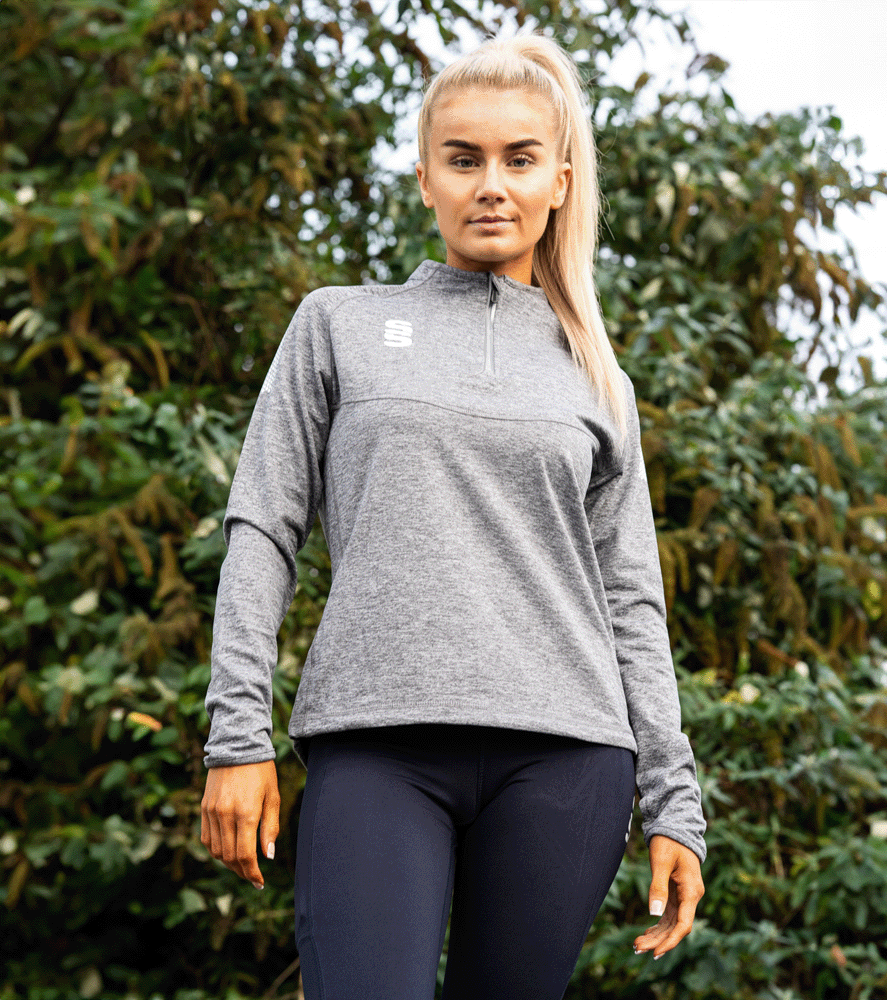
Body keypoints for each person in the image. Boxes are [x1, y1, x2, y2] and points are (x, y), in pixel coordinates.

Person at [200, 32, 706, 1000]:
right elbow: (262, 527)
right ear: (425, 177)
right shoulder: (337, 324)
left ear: (559, 181)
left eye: (520, 160)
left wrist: (673, 802)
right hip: (376, 741)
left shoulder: (598, 376)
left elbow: (632, 601)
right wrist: (238, 734)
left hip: (567, 757)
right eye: (464, 159)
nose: (492, 186)